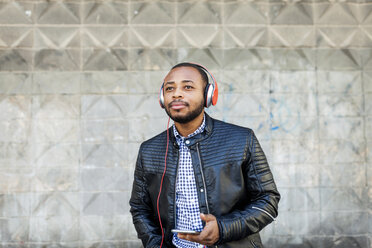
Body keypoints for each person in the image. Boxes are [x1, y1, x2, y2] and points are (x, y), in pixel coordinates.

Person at [129, 62, 280, 248]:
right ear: (162, 98)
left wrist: (223, 229)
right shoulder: (149, 150)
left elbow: (268, 201)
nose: (176, 93)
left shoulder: (242, 139)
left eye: (188, 86)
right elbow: (140, 208)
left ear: (208, 95)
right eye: (170, 88)